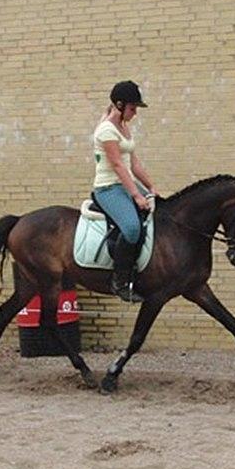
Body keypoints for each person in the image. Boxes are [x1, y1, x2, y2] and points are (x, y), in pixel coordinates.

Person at [92, 80, 159, 303]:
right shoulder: (106, 131)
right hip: (109, 188)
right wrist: (137, 196)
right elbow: (118, 166)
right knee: (131, 229)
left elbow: (133, 163)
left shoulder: (124, 128)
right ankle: (119, 282)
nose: (135, 113)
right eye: (132, 108)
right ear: (119, 105)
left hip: (125, 183)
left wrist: (151, 187)